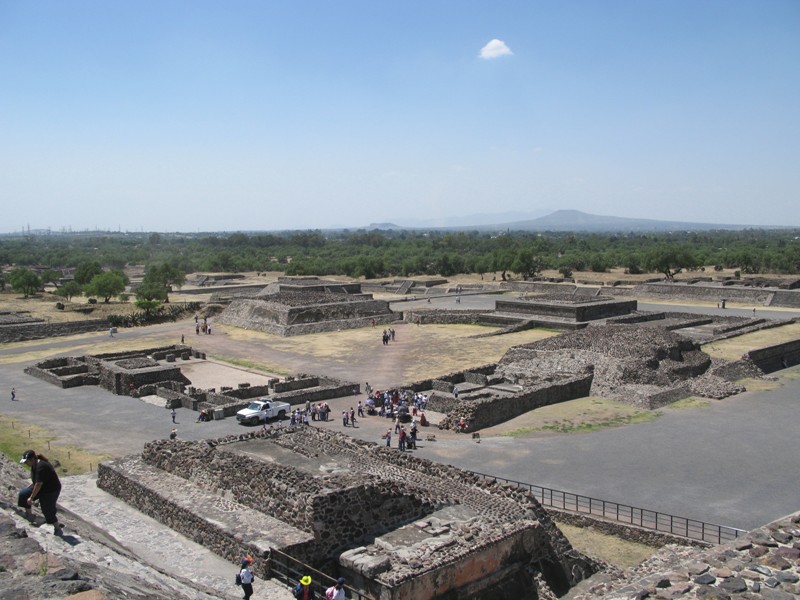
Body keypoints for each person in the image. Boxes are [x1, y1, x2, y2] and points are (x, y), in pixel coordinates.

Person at [18, 450, 63, 535]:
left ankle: (57, 527)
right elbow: (37, 480)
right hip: (41, 487)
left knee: (47, 508)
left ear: (32, 459)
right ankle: (29, 515)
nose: (26, 464)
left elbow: (39, 484)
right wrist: (31, 486)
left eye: (27, 461)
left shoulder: (41, 466)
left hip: (50, 490)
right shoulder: (34, 465)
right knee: (23, 494)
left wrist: (31, 498)